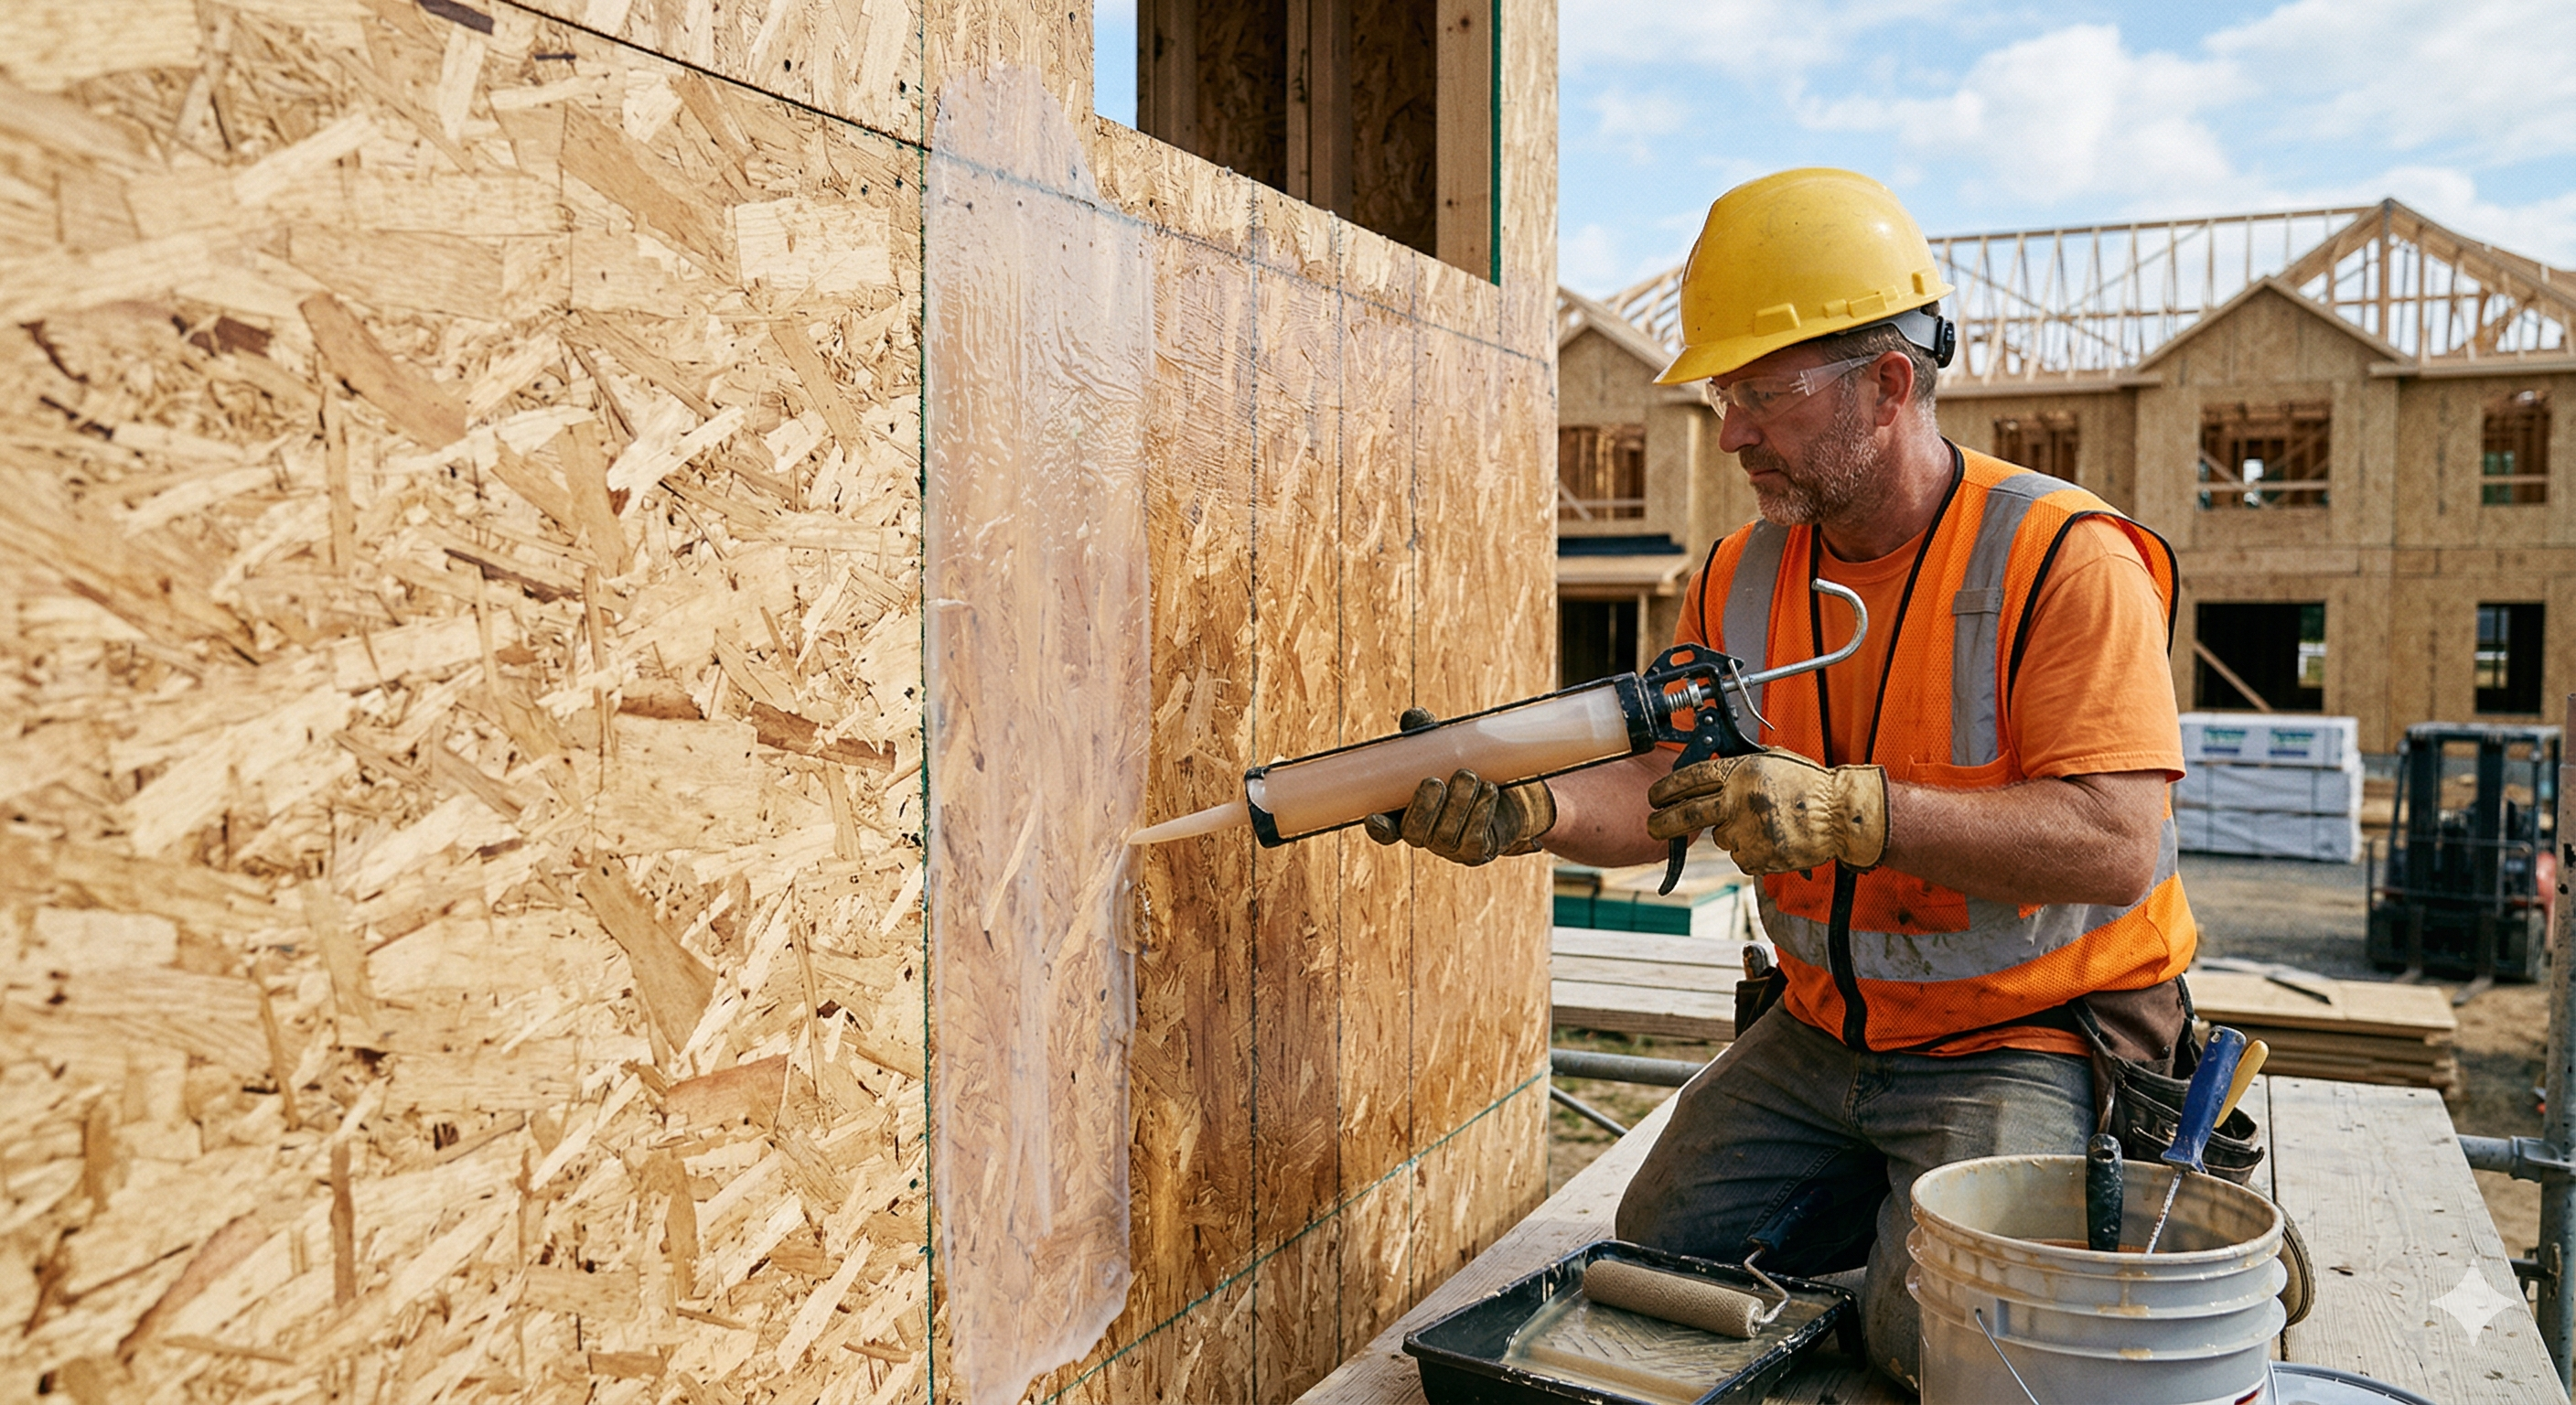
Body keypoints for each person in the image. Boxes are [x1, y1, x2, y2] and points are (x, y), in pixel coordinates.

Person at [1368, 167, 2197, 1389]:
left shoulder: (2064, 560)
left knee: (1950, 1349)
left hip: (2028, 1037)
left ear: (1890, 383)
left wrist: (1852, 809)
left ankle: (1924, 1257)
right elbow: (1661, 778)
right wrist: (1528, 815)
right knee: (1657, 1259)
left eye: (1763, 393)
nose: (1733, 431)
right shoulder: (1742, 575)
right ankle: (1896, 1225)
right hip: (1822, 1035)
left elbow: (2116, 841)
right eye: (1725, 394)